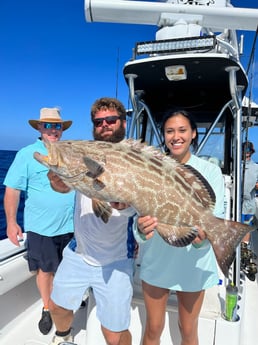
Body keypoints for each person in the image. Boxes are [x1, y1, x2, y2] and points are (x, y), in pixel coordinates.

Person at [48, 97, 137, 345]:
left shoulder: (134, 157)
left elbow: (140, 208)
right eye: (99, 122)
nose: (105, 125)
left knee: (114, 333)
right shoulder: (84, 152)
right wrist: (56, 181)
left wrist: (128, 205)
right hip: (80, 251)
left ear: (123, 122)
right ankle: (64, 338)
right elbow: (66, 186)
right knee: (56, 307)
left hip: (116, 258)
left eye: (111, 120)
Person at [135, 109, 225, 345]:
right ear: (164, 135)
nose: (176, 136)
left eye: (182, 130)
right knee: (152, 328)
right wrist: (140, 229)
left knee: (188, 329)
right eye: (169, 131)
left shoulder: (211, 171)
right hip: (157, 259)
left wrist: (203, 239)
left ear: (193, 134)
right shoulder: (149, 169)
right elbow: (139, 218)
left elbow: (217, 216)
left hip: (194, 264)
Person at [3, 108, 75, 335]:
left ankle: (65, 303)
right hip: (41, 227)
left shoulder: (69, 153)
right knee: (45, 271)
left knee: (69, 269)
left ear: (62, 130)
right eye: (49, 125)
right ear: (40, 128)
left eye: (57, 126)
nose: (53, 130)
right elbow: (13, 189)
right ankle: (47, 306)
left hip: (72, 226)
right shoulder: (26, 154)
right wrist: (12, 222)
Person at [241, 141, 258, 244]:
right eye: (244, 150)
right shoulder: (235, 165)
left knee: (247, 226)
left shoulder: (256, 167)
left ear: (251, 152)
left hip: (249, 204)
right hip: (236, 203)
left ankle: (244, 249)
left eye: (248, 150)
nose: (246, 152)